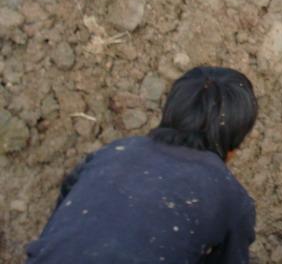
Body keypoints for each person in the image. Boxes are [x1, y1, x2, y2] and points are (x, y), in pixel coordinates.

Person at [26, 67, 259, 264]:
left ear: (168, 113)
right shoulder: (229, 197)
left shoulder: (113, 153)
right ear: (233, 146)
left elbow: (62, 214)